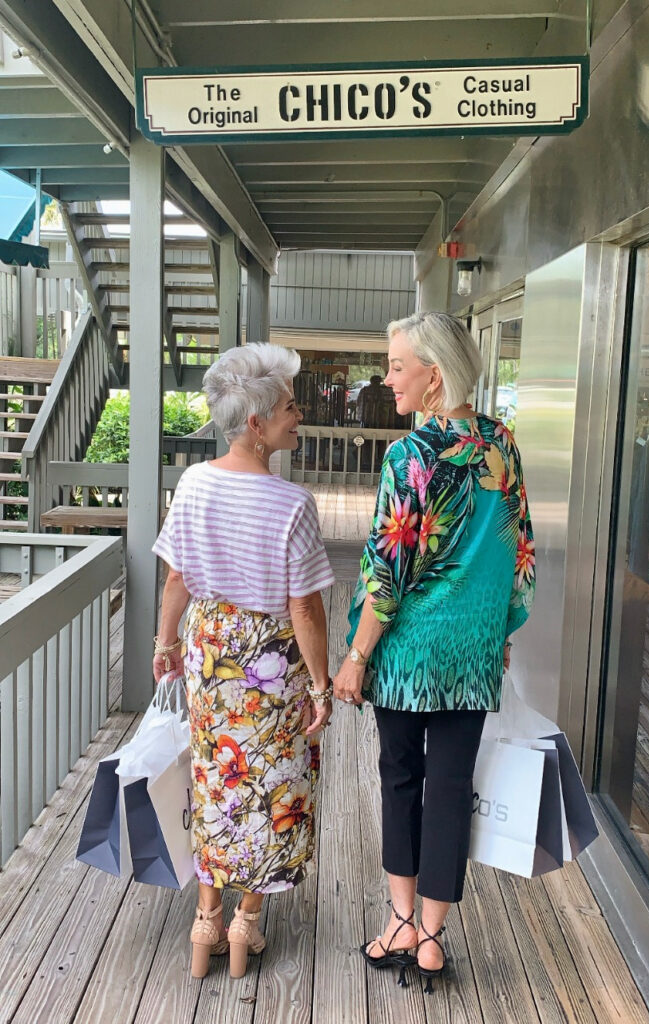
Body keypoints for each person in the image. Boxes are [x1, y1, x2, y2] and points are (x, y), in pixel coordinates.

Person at [333, 311, 536, 993]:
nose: (386, 378)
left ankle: (397, 920)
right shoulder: (501, 445)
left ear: (433, 374)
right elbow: (520, 553)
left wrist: (357, 655)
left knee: (399, 777)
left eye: (396, 365)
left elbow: (384, 572)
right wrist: (500, 632)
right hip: (473, 646)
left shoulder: (410, 455)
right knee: (451, 785)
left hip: (409, 652)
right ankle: (430, 936)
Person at [152, 342, 335, 982]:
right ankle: (245, 924)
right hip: (269, 663)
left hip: (210, 656)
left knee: (215, 778)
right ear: (256, 424)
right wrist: (320, 685)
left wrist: (165, 642)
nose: (299, 414)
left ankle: (206, 918)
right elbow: (305, 610)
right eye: (289, 406)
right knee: (270, 782)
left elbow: (177, 577)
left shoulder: (193, 484)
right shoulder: (292, 505)